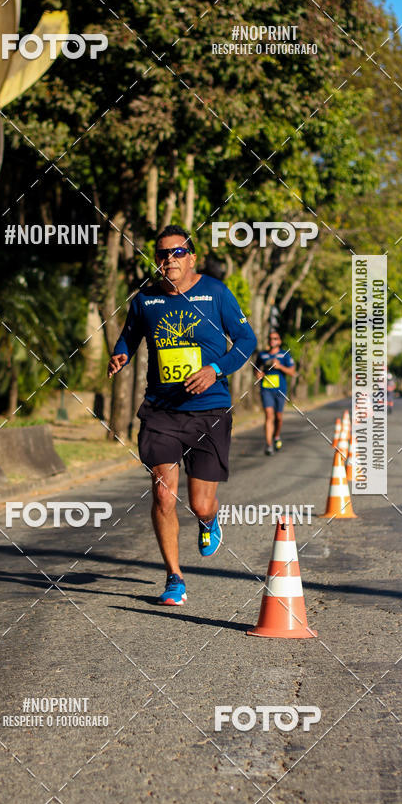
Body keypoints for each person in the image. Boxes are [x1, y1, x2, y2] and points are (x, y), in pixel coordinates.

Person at [107, 225, 257, 605]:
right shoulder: (145, 299)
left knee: (201, 503)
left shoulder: (216, 292)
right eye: (161, 254)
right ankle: (174, 576)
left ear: (192, 257)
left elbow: (246, 341)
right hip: (161, 411)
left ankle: (208, 521)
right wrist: (120, 352)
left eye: (176, 253)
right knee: (162, 494)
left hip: (209, 410)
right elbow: (129, 334)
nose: (168, 260)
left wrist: (216, 370)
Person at [255, 330, 295, 455]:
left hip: (280, 390)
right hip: (266, 389)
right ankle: (268, 445)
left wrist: (280, 367)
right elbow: (256, 369)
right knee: (269, 415)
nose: (273, 340)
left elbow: (292, 372)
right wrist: (258, 374)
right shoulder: (262, 355)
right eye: (271, 338)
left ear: (279, 341)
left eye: (275, 338)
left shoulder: (285, 355)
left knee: (278, 417)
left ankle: (276, 436)